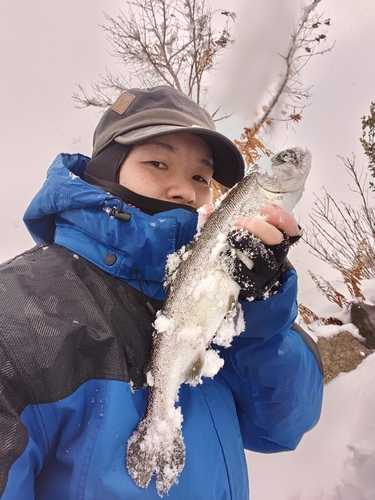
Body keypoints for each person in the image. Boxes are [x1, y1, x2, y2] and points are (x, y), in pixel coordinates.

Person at [0, 86, 323, 500]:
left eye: (200, 177)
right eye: (158, 162)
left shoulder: (220, 292)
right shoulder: (16, 314)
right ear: (107, 167)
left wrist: (261, 308)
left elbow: (282, 427)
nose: (185, 191)